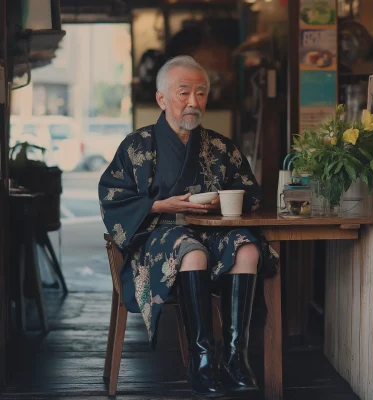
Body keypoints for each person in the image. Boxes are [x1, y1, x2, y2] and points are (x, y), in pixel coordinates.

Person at [98, 55, 278, 398]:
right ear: (162, 99)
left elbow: (252, 195)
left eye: (201, 93)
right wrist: (158, 205)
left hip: (214, 232)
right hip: (158, 237)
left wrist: (224, 200)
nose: (194, 102)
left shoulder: (221, 147)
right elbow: (112, 197)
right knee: (190, 251)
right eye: (184, 93)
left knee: (248, 247)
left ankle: (234, 358)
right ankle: (202, 361)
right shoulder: (138, 145)